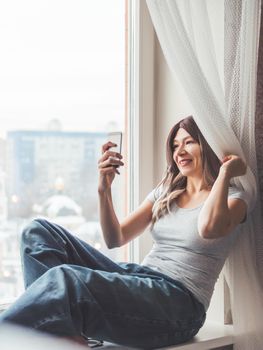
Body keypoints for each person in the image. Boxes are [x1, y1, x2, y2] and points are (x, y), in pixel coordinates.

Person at [0, 116, 249, 349]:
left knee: (65, 279)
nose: (179, 152)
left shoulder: (236, 198)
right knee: (38, 231)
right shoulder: (166, 192)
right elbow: (115, 238)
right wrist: (104, 189)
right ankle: (62, 334)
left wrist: (224, 173)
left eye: (189, 142)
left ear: (208, 146)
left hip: (180, 304)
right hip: (140, 280)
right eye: (175, 145)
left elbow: (209, 227)